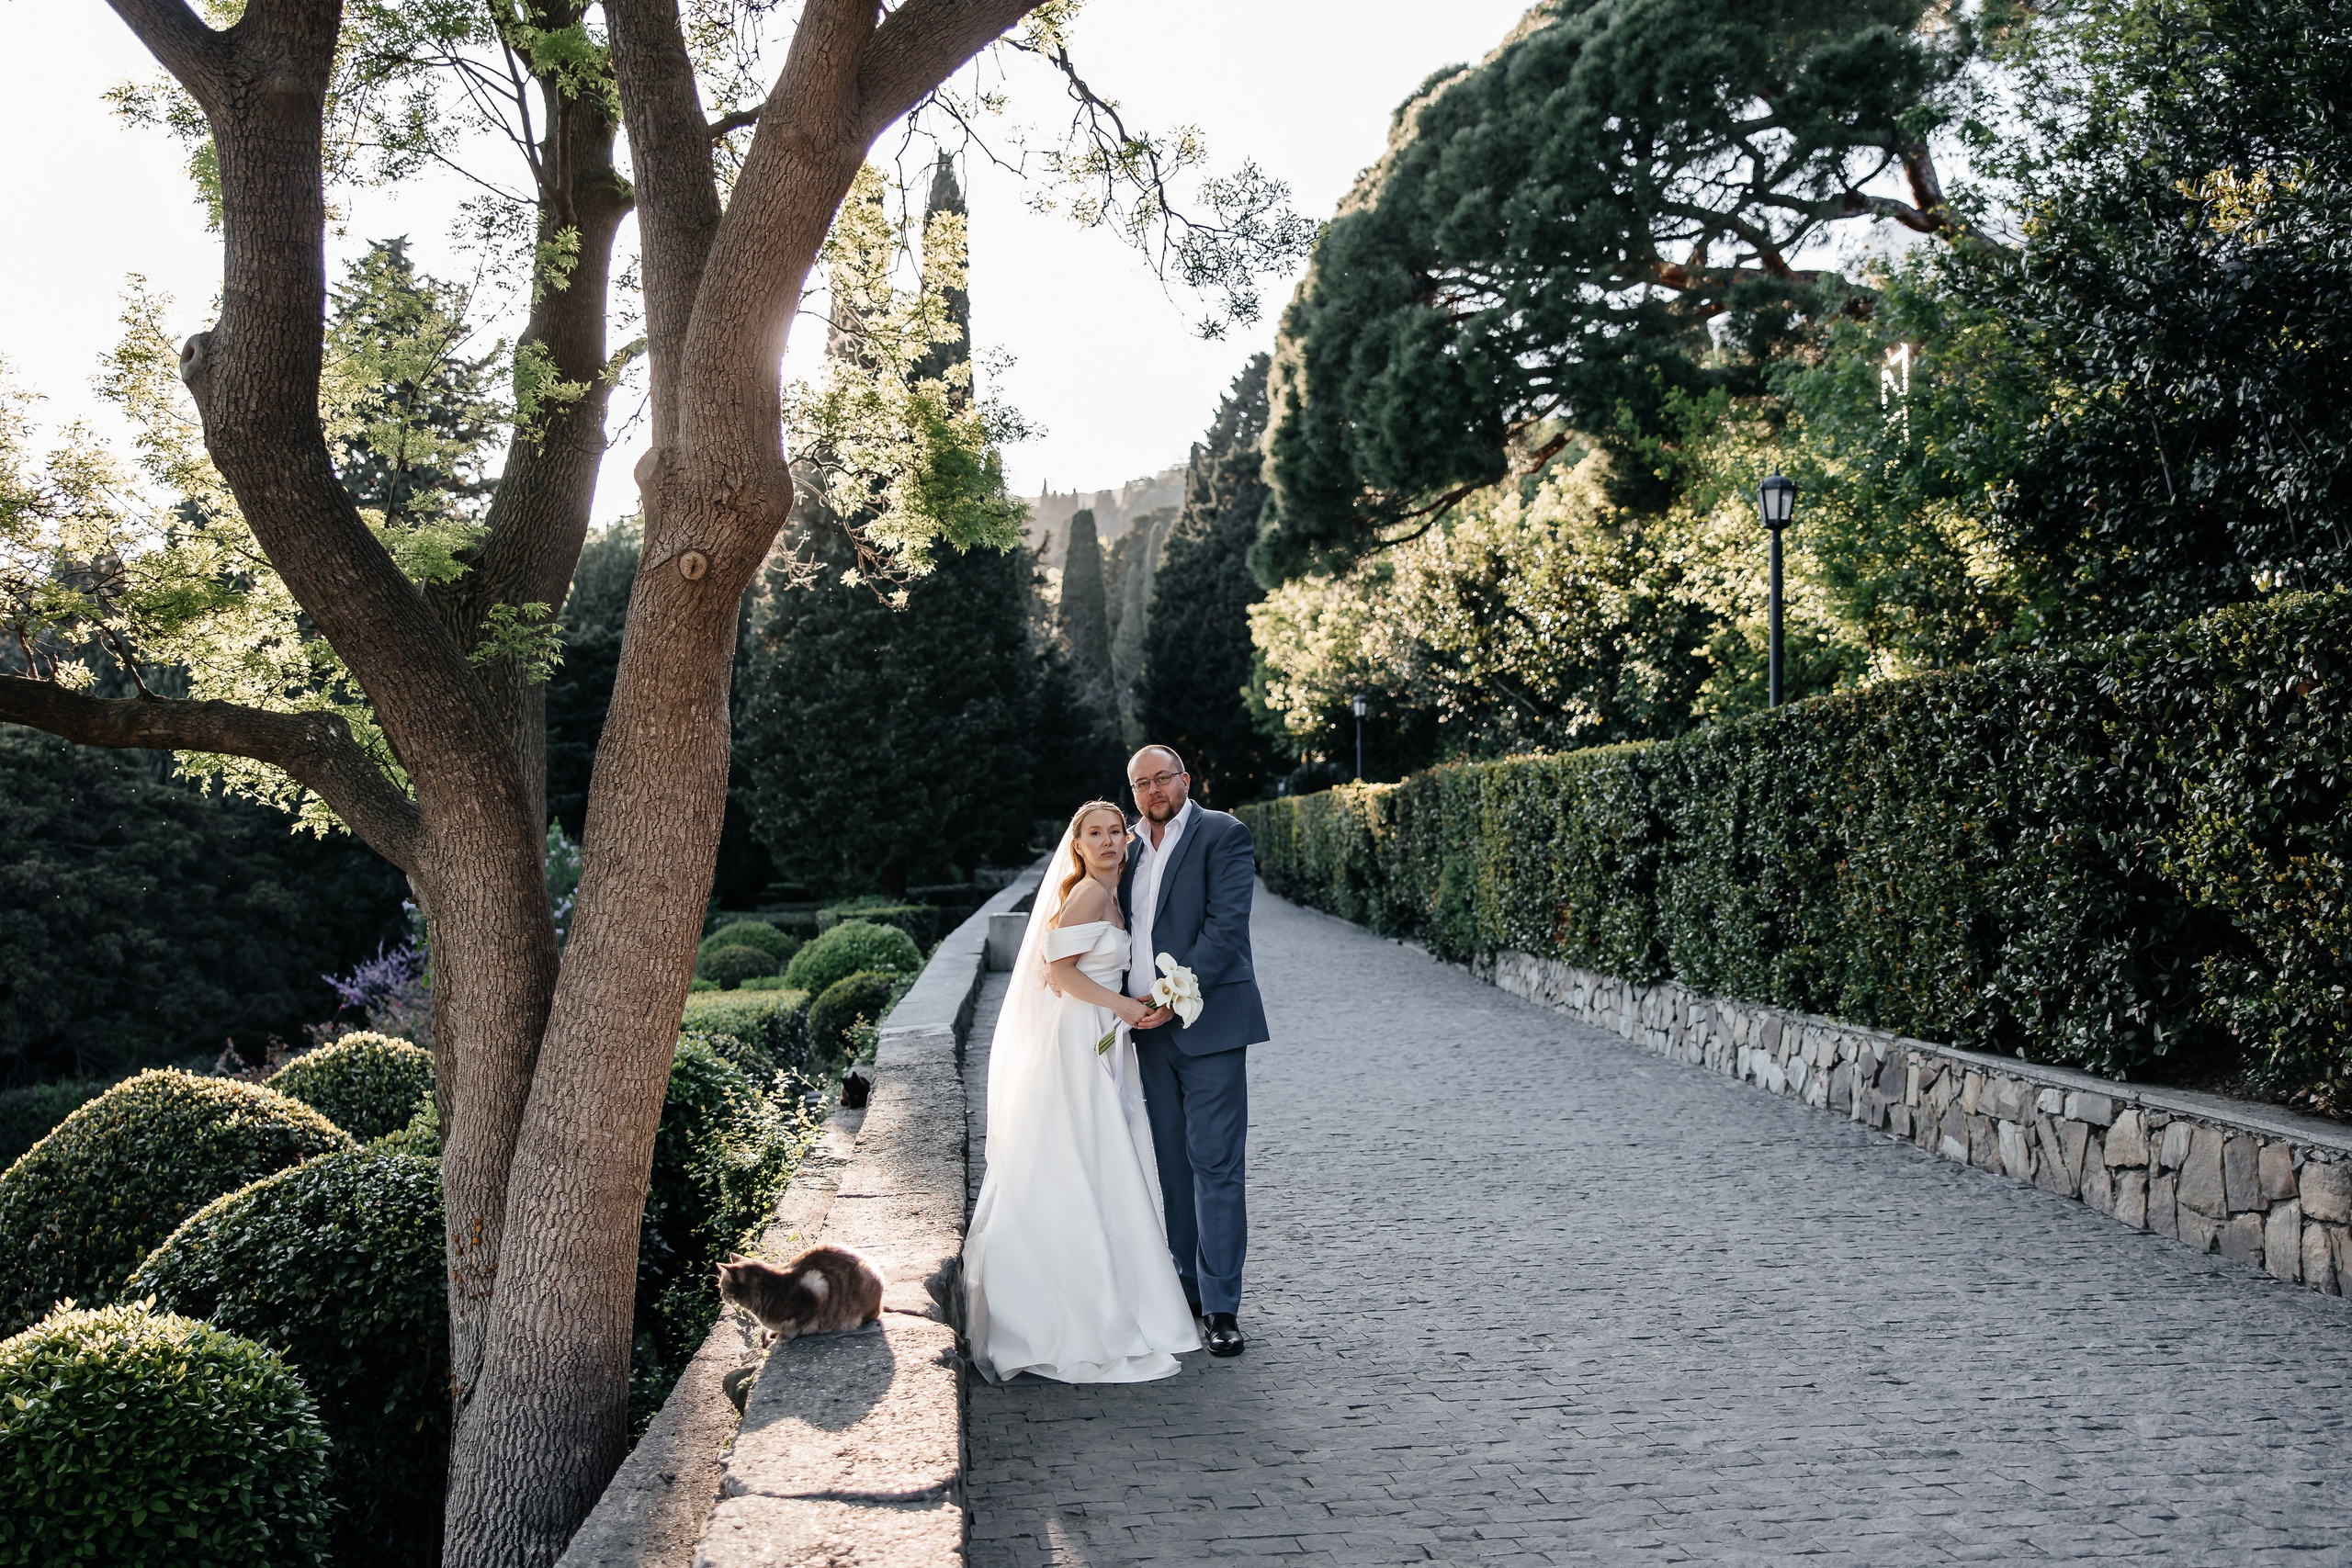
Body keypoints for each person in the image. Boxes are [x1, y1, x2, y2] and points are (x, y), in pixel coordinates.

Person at [961, 801, 1203, 1382]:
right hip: (1076, 1040)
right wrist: (1124, 1005)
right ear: (1078, 844)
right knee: (1077, 1154)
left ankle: (1108, 1285)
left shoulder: (1109, 893)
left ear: (1127, 838)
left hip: (1101, 1035)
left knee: (1095, 1158)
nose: (1107, 842)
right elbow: (1058, 973)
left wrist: (1145, 1003)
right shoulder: (1088, 895)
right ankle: (1066, 1311)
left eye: (1116, 832)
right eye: (1094, 834)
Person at [1121, 745, 1269, 1358]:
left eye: (1163, 778)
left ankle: (1221, 1306)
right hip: (1146, 1034)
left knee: (1216, 1164)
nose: (1154, 790)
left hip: (1207, 1025)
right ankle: (1183, 1291)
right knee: (1173, 1167)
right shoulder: (1123, 846)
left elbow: (1226, 928)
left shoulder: (1222, 834)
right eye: (1142, 783)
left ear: (1185, 779)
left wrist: (1167, 993)